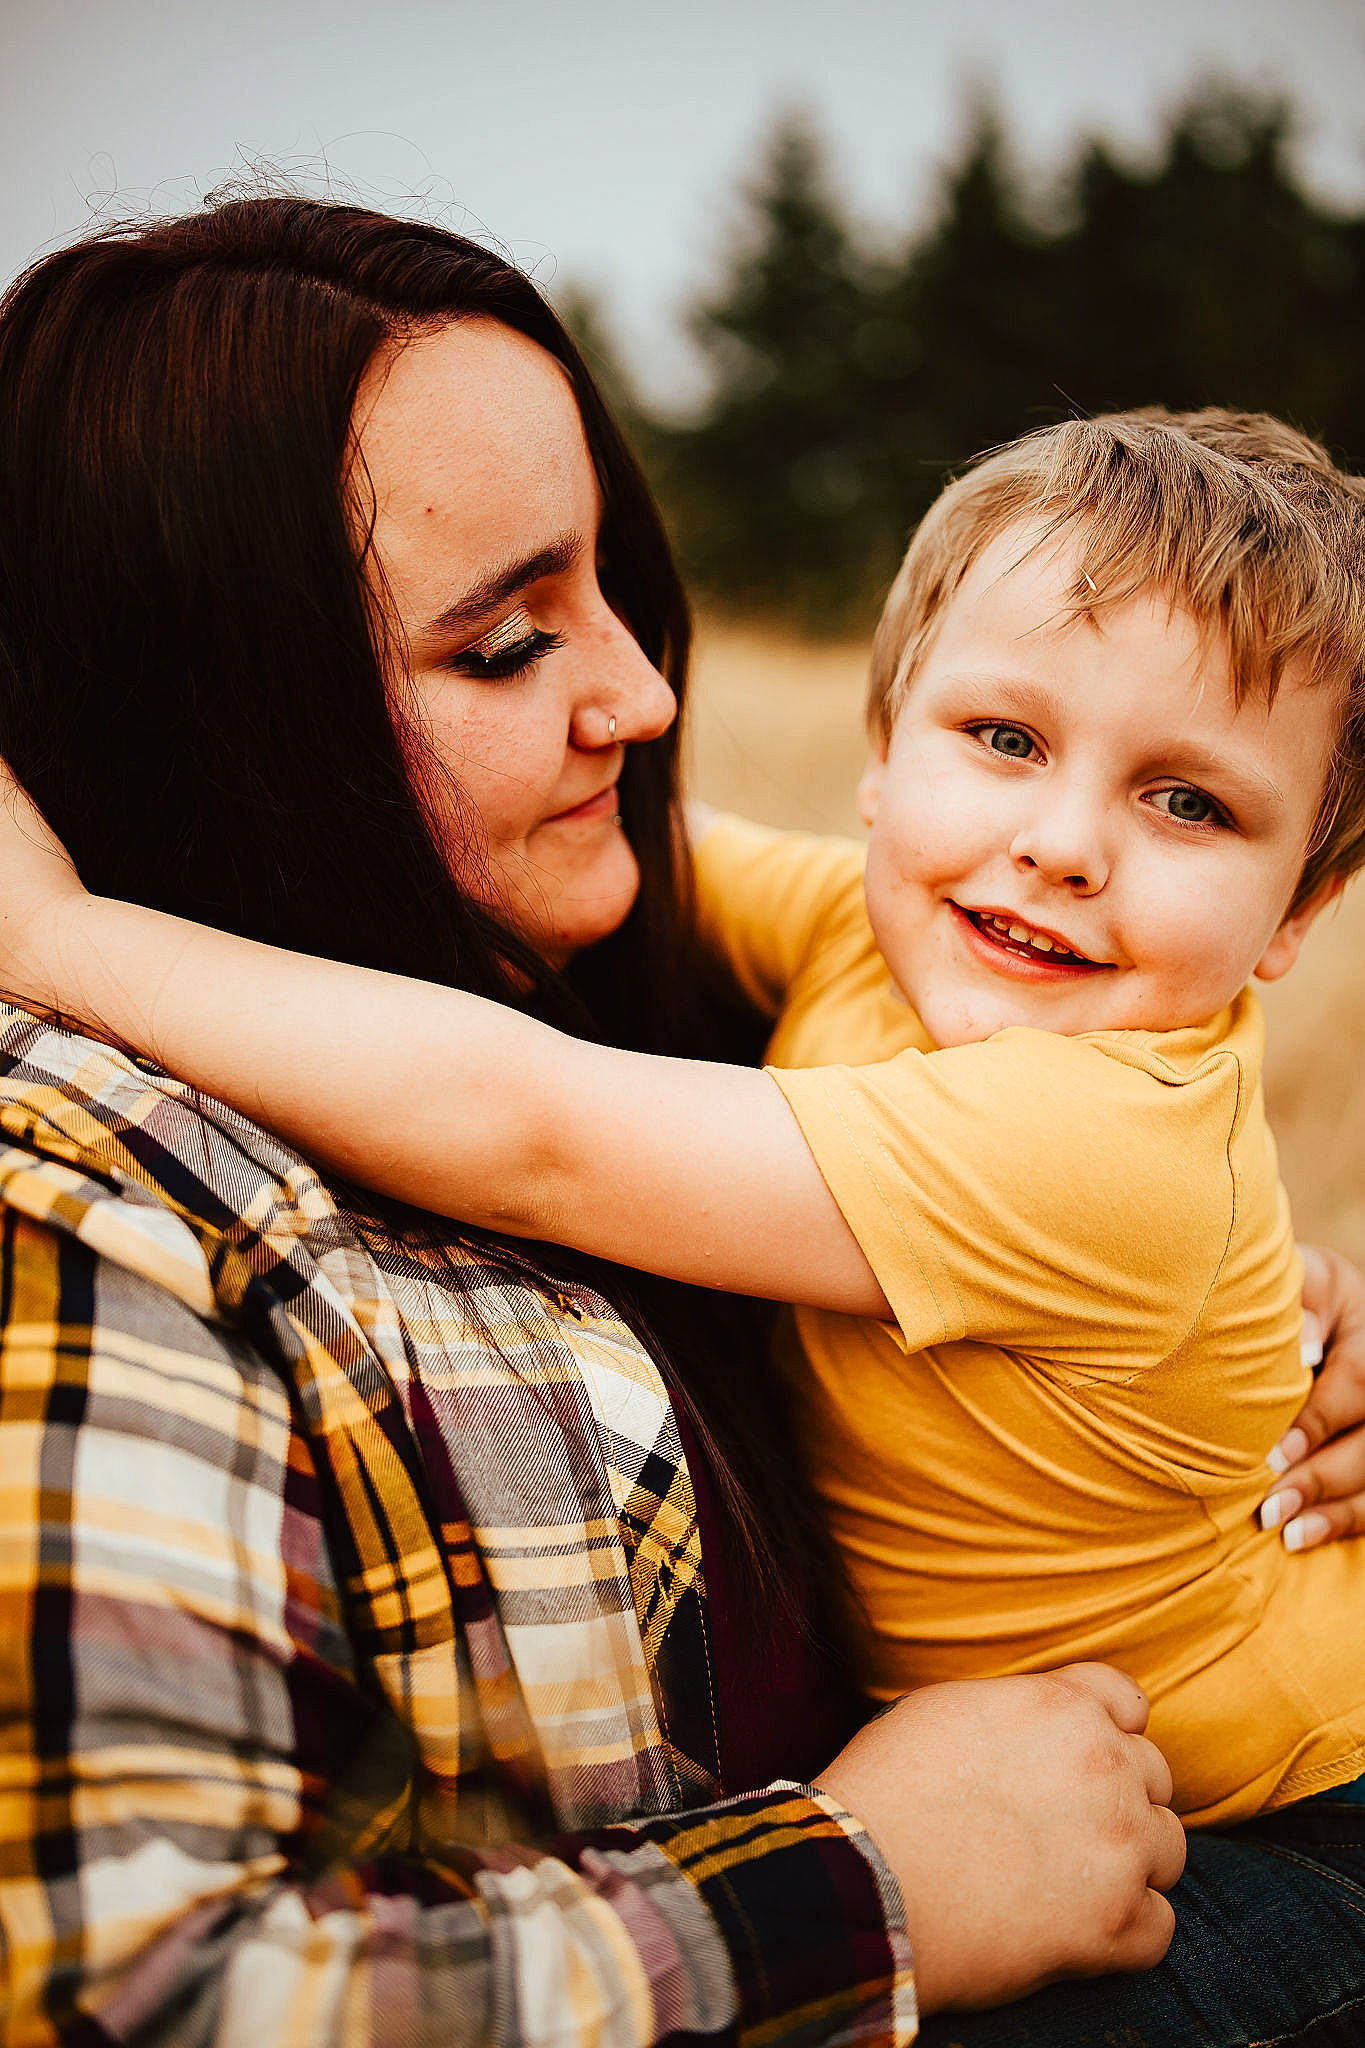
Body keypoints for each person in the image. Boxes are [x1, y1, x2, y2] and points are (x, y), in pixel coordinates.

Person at [0, 198, 1357, 2047]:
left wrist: (1279, 1328)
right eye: (505, 643)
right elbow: (133, 1998)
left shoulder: (1043, 1086)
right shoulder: (96, 1216)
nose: (643, 696)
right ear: (884, 756)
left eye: (1189, 802)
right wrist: (858, 1892)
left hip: (1275, 1816)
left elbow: (547, 1119)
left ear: (1297, 914)